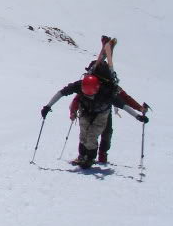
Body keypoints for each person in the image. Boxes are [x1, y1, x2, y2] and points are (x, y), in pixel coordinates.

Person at [41, 37, 148, 168]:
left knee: (94, 135)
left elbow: (123, 104)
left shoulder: (107, 92)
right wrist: (48, 106)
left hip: (102, 112)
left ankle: (91, 158)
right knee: (83, 134)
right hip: (86, 109)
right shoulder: (80, 85)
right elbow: (62, 93)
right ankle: (82, 156)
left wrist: (138, 115)